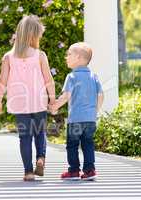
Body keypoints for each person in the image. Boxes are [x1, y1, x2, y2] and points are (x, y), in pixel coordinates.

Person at [0, 15, 55, 181]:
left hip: (19, 103)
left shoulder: (8, 57)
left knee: (25, 137)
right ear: (33, 36)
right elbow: (49, 79)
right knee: (40, 132)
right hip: (39, 101)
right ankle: (40, 158)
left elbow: (2, 81)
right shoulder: (40, 55)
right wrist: (53, 99)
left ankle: (28, 172)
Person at [49, 42, 104, 181]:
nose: (66, 57)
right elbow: (101, 95)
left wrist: (55, 107)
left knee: (72, 145)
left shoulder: (72, 77)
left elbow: (66, 96)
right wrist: (95, 111)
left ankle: (74, 171)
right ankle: (90, 170)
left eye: (69, 54)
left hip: (76, 120)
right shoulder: (94, 76)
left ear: (78, 57)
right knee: (88, 143)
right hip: (90, 119)